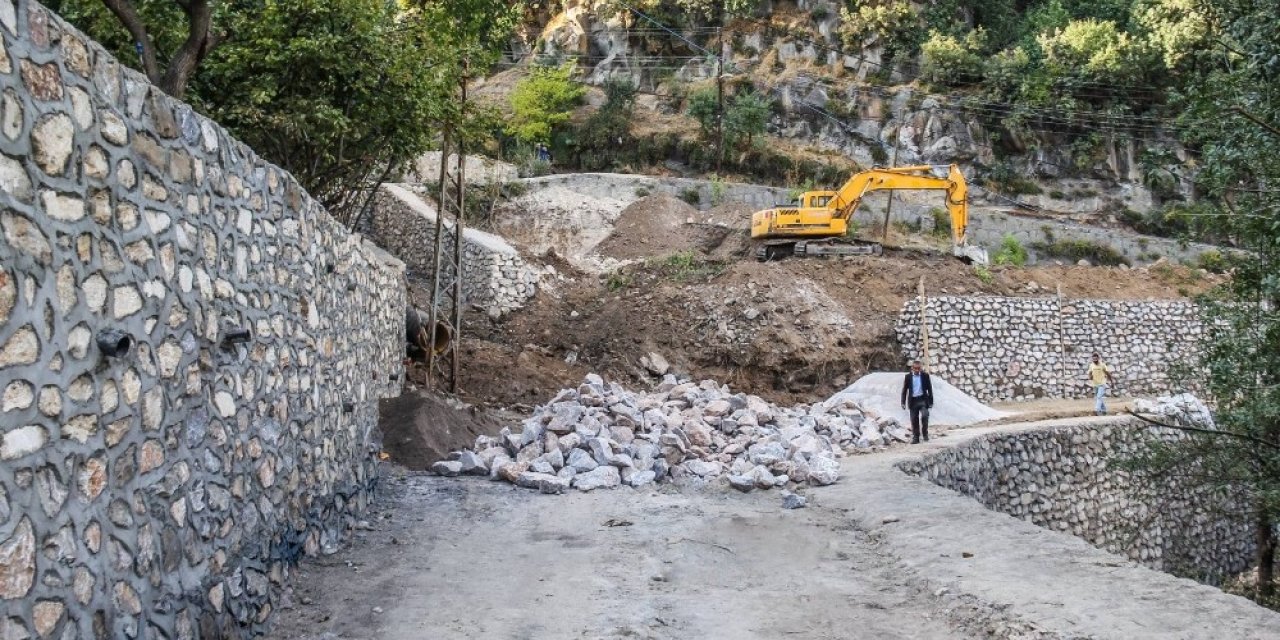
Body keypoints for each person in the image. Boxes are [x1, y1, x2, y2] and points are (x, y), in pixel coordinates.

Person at [900, 360, 934, 444]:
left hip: (923, 399)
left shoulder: (925, 376)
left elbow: (929, 389)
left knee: (925, 415)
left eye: (919, 368)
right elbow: (904, 390)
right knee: (914, 420)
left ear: (921, 368)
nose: (917, 370)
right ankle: (916, 438)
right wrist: (903, 402)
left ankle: (925, 433)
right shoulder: (908, 377)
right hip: (913, 401)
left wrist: (931, 401)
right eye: (915, 368)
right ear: (912, 368)